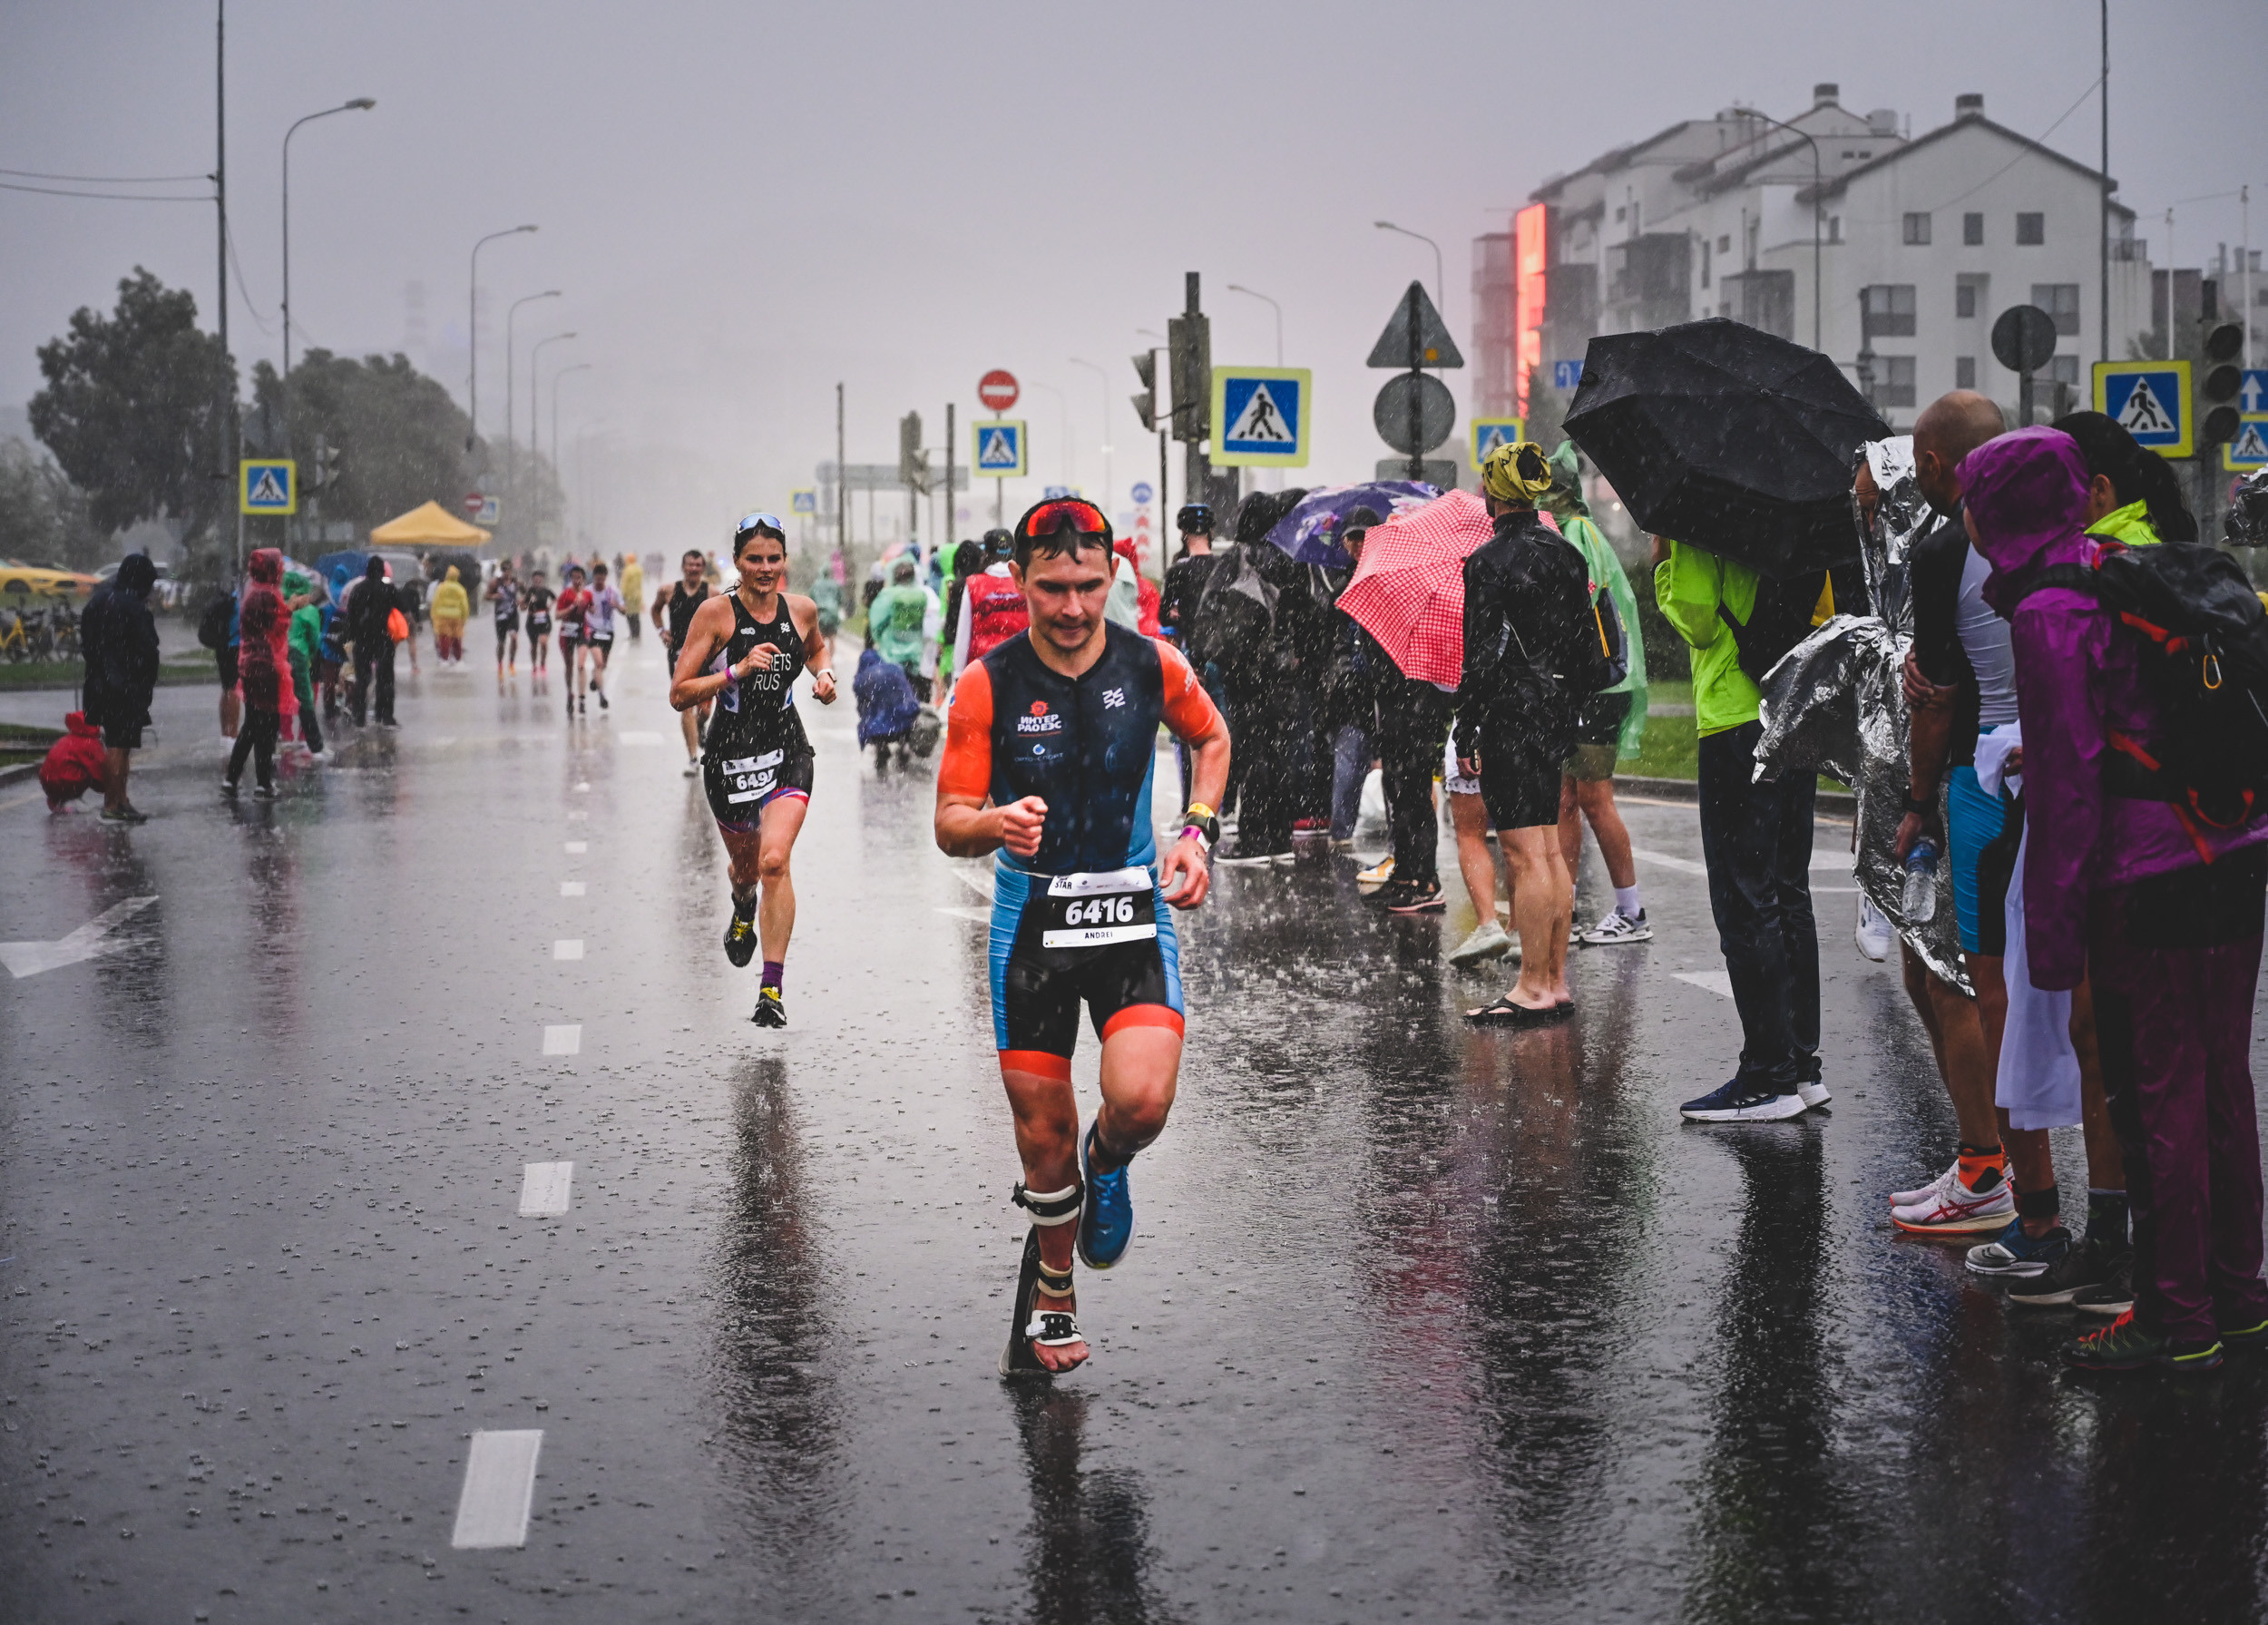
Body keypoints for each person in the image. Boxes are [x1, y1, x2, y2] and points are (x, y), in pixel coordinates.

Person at [1961, 425, 2268, 1374]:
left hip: (2150, 872)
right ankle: (2238, 1294)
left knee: (2157, 1092)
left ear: (1996, 511)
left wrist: (2053, 946)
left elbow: (2068, 790)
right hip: (2233, 846)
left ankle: (2174, 1317)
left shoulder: (2049, 609)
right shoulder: (2121, 567)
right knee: (2221, 1081)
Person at [933, 495, 1229, 1375]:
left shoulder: (1151, 664)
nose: (1072, 607)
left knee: (1140, 1102)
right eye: (1052, 588)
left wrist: (1196, 830)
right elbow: (949, 821)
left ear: (1113, 578)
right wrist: (995, 824)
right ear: (1018, 580)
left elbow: (1212, 737)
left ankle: (1109, 1163)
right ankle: (1055, 1292)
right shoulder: (986, 683)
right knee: (1043, 1137)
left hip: (1130, 913)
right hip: (1032, 923)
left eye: (1089, 586)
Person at [1888, 391, 2047, 1239]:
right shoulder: (2053, 537)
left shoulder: (1949, 545)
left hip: (1980, 779)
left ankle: (1993, 1172)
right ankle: (2005, 1170)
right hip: (2046, 771)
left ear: (1936, 463)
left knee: (1957, 980)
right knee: (1995, 983)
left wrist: (1917, 803)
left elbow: (1940, 699)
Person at [1655, 513, 1827, 1118]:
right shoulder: (1793, 509)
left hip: (1735, 716)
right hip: (1793, 711)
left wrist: (1665, 570)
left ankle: (1766, 1076)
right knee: (1789, 890)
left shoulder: (1703, 513)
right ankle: (1802, 1067)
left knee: (1744, 900)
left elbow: (1698, 617)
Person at [669, 513, 837, 1027]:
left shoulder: (801, 610)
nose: (765, 568)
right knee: (747, 873)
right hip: (730, 758)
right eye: (754, 559)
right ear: (738, 562)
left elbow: (815, 648)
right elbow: (680, 692)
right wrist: (735, 671)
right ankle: (743, 906)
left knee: (775, 862)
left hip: (787, 750)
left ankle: (771, 989)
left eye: (773, 559)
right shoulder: (715, 615)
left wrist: (825, 675)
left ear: (784, 560)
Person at [1453, 442, 1596, 1023]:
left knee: (1522, 852)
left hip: (1510, 715)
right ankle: (1554, 980)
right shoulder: (1567, 555)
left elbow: (1481, 654)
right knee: (1549, 848)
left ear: (1496, 490)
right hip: (1555, 711)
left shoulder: (1487, 562)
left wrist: (1467, 725)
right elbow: (1585, 649)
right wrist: (1566, 704)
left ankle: (1532, 986)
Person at [1541, 444, 1651, 945]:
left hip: (1602, 685)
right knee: (1566, 798)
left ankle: (1631, 911)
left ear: (1559, 493)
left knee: (1593, 797)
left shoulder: (1578, 534)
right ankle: (1563, 908)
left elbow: (1576, 609)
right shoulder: (1568, 531)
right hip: (1590, 683)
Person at [78, 553, 161, 822]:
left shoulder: (98, 601)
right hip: (125, 686)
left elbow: (87, 643)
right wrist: (142, 680)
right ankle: (113, 804)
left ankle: (121, 800)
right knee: (118, 744)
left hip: (100, 682)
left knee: (120, 742)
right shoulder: (134, 608)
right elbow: (148, 649)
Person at [225, 549, 289, 798]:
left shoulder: (253, 592)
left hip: (251, 663)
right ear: (271, 569)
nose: (282, 571)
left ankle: (231, 779)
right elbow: (278, 626)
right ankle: (263, 783)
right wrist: (293, 607)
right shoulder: (267, 595)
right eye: (279, 566)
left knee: (252, 724)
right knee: (267, 725)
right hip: (265, 665)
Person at [652, 547, 713, 775]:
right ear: (683, 567)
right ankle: (693, 758)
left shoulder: (712, 592)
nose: (693, 569)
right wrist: (661, 631)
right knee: (686, 706)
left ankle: (701, 725)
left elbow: (726, 618)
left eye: (698, 565)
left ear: (703, 568)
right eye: (690, 565)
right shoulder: (668, 591)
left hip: (706, 656)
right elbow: (655, 610)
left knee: (704, 710)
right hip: (679, 654)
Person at [953, 528, 1030, 671]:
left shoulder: (974, 584)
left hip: (983, 666)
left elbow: (963, 633)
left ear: (986, 553)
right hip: (1021, 664)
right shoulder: (1025, 582)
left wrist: (958, 672)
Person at [347, 554, 404, 728]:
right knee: (385, 679)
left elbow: (350, 615)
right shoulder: (389, 589)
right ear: (382, 571)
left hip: (362, 640)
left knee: (362, 680)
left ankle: (359, 718)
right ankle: (384, 716)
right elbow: (402, 608)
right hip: (383, 639)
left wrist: (351, 636)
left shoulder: (357, 589)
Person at [868, 555, 932, 697]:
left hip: (891, 654)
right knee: (910, 694)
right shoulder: (921, 595)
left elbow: (876, 622)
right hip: (915, 655)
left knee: (892, 697)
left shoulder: (888, 595)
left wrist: (877, 638)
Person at [38, 710, 112, 812]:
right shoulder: (90, 744)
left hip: (47, 782)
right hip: (67, 783)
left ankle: (57, 800)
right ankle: (71, 801)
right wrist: (108, 787)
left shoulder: (66, 739)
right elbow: (98, 770)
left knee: (72, 769)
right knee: (84, 772)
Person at [285, 574, 326, 759]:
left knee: (280, 696)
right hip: (299, 654)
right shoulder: (309, 610)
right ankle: (313, 744)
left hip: (279, 654)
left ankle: (282, 736)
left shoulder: (282, 605)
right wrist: (309, 653)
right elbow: (314, 639)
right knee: (305, 699)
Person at [584, 562, 624, 710]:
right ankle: (602, 696)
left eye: (602, 579)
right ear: (593, 577)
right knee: (599, 663)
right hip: (592, 630)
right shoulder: (587, 591)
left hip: (608, 632)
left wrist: (616, 605)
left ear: (606, 577)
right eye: (597, 579)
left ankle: (595, 679)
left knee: (603, 665)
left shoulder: (612, 591)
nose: (599, 582)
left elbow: (624, 610)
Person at [555, 563, 593, 716]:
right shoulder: (565, 594)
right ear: (570, 579)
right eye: (574, 578)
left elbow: (592, 609)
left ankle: (582, 699)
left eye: (579, 578)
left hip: (581, 631)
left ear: (583, 579)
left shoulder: (587, 594)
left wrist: (588, 606)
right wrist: (572, 607)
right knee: (569, 665)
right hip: (566, 633)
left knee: (581, 665)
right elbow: (557, 615)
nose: (577, 581)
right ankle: (570, 692)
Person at [428, 564, 470, 666]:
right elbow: (464, 605)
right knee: (457, 637)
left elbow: (435, 602)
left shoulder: (441, 588)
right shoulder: (460, 589)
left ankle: (445, 658)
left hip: (442, 616)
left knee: (444, 638)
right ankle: (458, 659)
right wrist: (464, 617)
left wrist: (433, 615)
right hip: (457, 616)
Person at [486, 561, 522, 675]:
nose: (506, 572)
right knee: (501, 643)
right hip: (500, 615)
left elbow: (527, 594)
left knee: (514, 638)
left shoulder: (516, 582)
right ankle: (500, 664)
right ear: (501, 571)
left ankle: (511, 663)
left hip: (513, 614)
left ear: (512, 570)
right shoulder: (495, 583)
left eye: (508, 570)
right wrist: (493, 596)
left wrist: (522, 602)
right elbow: (486, 596)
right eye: (504, 570)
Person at [523, 570, 554, 679]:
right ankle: (534, 666)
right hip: (532, 620)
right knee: (534, 645)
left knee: (544, 642)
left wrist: (550, 606)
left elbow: (555, 599)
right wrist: (526, 604)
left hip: (544, 619)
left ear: (542, 580)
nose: (537, 582)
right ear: (532, 580)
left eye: (539, 580)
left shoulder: (546, 591)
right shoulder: (529, 592)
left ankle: (543, 664)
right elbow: (523, 606)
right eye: (535, 580)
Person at [618, 552, 645, 643]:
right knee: (636, 615)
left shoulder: (627, 570)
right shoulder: (639, 569)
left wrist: (623, 593)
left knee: (629, 615)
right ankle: (637, 634)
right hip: (637, 596)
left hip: (629, 595)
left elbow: (624, 583)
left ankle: (633, 633)